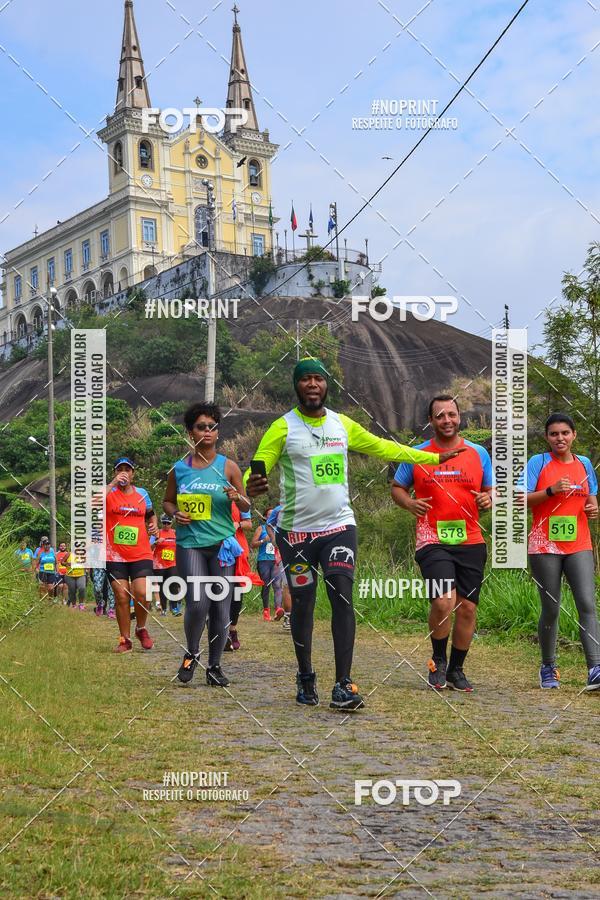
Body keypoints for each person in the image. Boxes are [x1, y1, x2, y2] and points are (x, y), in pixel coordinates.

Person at [245, 358, 464, 710]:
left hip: (338, 527)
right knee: (302, 605)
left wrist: (434, 459)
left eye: (319, 379)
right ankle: (305, 677)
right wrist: (251, 483)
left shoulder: (342, 424)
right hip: (296, 534)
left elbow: (384, 447)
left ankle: (343, 684)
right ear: (296, 386)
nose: (313, 384)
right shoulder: (282, 428)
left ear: (327, 385)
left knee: (342, 597)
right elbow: (257, 467)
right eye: (306, 380)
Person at [391, 395, 493, 693]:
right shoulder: (418, 454)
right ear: (431, 421)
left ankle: (457, 670)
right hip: (431, 539)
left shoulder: (477, 453)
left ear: (459, 417)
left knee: (467, 609)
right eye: (440, 416)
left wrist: (489, 499)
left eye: (451, 414)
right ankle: (438, 660)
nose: (446, 420)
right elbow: (397, 487)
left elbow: (490, 490)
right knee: (443, 601)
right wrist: (409, 503)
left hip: (471, 540)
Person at [163, 402, 251, 686]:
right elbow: (167, 501)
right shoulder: (179, 469)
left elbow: (248, 505)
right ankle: (192, 652)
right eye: (202, 427)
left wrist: (238, 498)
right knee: (199, 603)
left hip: (223, 546)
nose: (208, 431)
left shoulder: (229, 467)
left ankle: (215, 666)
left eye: (213, 427)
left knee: (221, 609)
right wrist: (175, 513)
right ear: (191, 433)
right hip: (191, 544)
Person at [525, 413, 600, 691]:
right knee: (551, 608)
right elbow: (522, 499)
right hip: (544, 545)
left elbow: (591, 499)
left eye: (565, 433)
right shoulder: (539, 462)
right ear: (547, 437)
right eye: (554, 434)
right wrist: (551, 490)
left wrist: (593, 509)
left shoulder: (585, 464)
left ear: (574, 435)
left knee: (587, 604)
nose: (560, 438)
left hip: (579, 543)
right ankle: (548, 666)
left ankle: (595, 668)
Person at [105, 457, 159, 653]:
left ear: (133, 474)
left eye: (128, 470)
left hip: (141, 551)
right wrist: (112, 483)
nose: (124, 472)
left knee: (143, 593)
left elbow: (151, 513)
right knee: (121, 595)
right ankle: (124, 640)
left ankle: (141, 628)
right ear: (115, 472)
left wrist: (154, 524)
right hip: (114, 554)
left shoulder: (142, 494)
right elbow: (92, 502)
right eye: (120, 469)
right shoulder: (108, 492)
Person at [225, 503, 261, 652]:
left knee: (236, 592)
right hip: (215, 547)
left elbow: (248, 524)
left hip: (237, 550)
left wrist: (237, 524)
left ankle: (232, 630)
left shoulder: (239, 500)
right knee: (217, 589)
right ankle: (220, 631)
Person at [251, 507, 283, 621]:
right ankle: (266, 610)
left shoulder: (280, 528)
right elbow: (253, 544)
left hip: (276, 560)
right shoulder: (261, 528)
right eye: (269, 514)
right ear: (265, 516)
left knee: (278, 585)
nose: (272, 515)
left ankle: (278, 609)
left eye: (273, 513)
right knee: (266, 585)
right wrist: (264, 540)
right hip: (264, 560)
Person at [152, 514, 180, 616]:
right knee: (162, 586)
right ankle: (164, 609)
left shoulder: (175, 533)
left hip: (172, 563)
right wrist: (156, 543)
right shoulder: (157, 533)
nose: (166, 525)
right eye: (164, 523)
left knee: (173, 584)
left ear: (171, 523)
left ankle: (175, 607)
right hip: (159, 565)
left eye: (168, 523)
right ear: (161, 522)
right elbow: (148, 547)